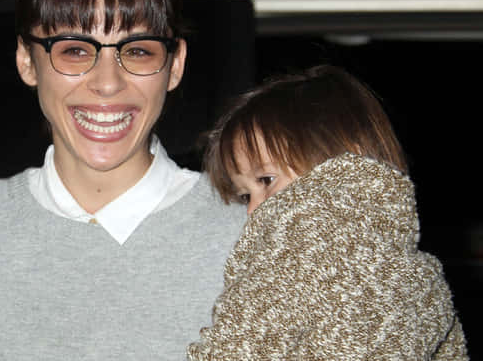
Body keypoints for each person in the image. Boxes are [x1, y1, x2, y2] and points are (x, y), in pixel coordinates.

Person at [0, 0, 245, 360]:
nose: (107, 82)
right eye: (74, 50)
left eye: (139, 50)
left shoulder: (244, 233)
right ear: (26, 61)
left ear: (175, 65)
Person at [188, 65, 468, 360]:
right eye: (245, 196)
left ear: (343, 161)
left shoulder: (301, 239)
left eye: (267, 181)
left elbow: (232, 351)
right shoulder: (424, 279)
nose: (253, 210)